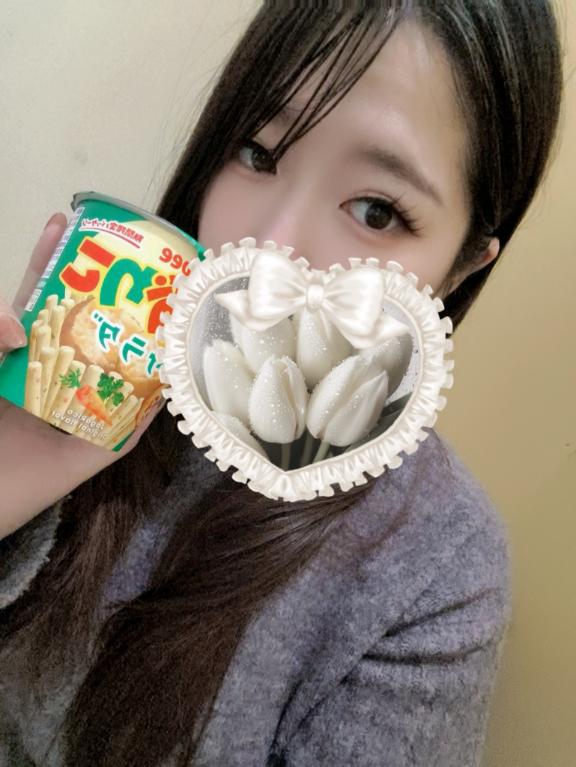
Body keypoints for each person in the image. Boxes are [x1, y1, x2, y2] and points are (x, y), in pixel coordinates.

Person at [0, 2, 563, 766]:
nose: (269, 252)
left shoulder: (440, 563)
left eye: (377, 211)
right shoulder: (89, 365)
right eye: (258, 153)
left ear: (460, 267)